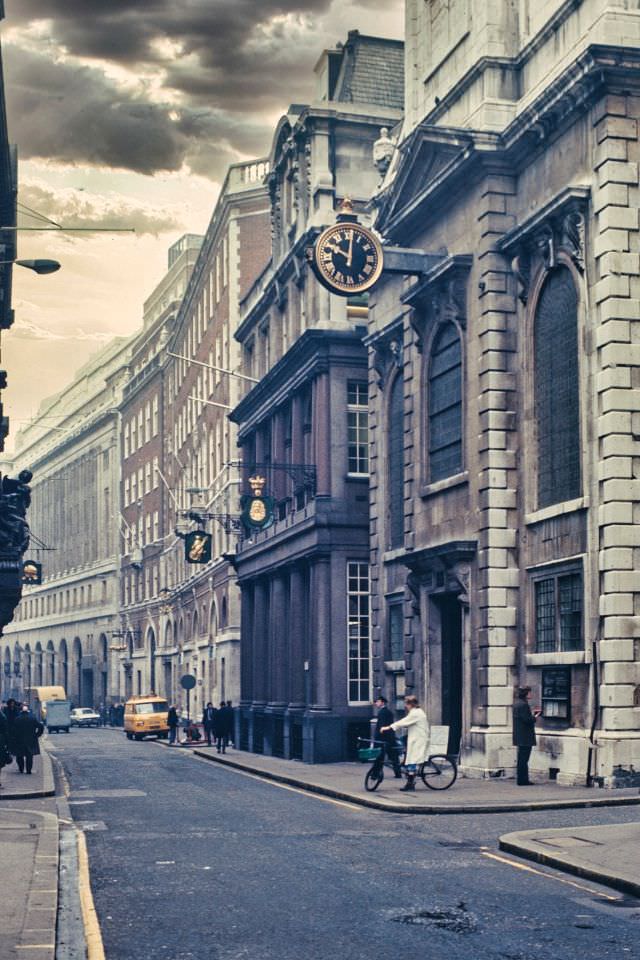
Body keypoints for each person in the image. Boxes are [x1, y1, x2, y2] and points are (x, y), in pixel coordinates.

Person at [381, 695, 429, 792]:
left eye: (406, 704)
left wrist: (388, 727)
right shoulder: (416, 712)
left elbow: (403, 722)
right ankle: (405, 760)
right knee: (403, 741)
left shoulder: (416, 713)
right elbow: (408, 723)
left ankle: (410, 784)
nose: (405, 706)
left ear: (411, 704)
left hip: (418, 739)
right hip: (415, 737)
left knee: (412, 760)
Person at [512, 686, 540, 786]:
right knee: (524, 759)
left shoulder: (517, 704)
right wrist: (535, 717)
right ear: (526, 694)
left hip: (520, 735)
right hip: (525, 736)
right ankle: (523, 780)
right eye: (529, 693)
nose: (531, 694)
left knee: (521, 759)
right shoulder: (524, 705)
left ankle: (521, 779)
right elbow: (527, 720)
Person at [374, 696, 402, 778]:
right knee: (394, 756)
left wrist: (378, 737)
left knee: (379, 756)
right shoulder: (388, 712)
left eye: (378, 701)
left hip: (383, 738)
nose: (376, 703)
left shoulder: (382, 712)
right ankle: (398, 773)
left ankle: (375, 774)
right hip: (390, 737)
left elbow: (381, 726)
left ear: (382, 702)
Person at [12, 705, 44, 775]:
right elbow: (40, 726)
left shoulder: (17, 719)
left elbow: (13, 730)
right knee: (29, 756)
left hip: (19, 740)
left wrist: (14, 737)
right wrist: (37, 734)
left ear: (21, 711)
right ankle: (28, 770)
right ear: (28, 711)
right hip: (31, 740)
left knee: (19, 755)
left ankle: (21, 769)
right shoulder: (32, 718)